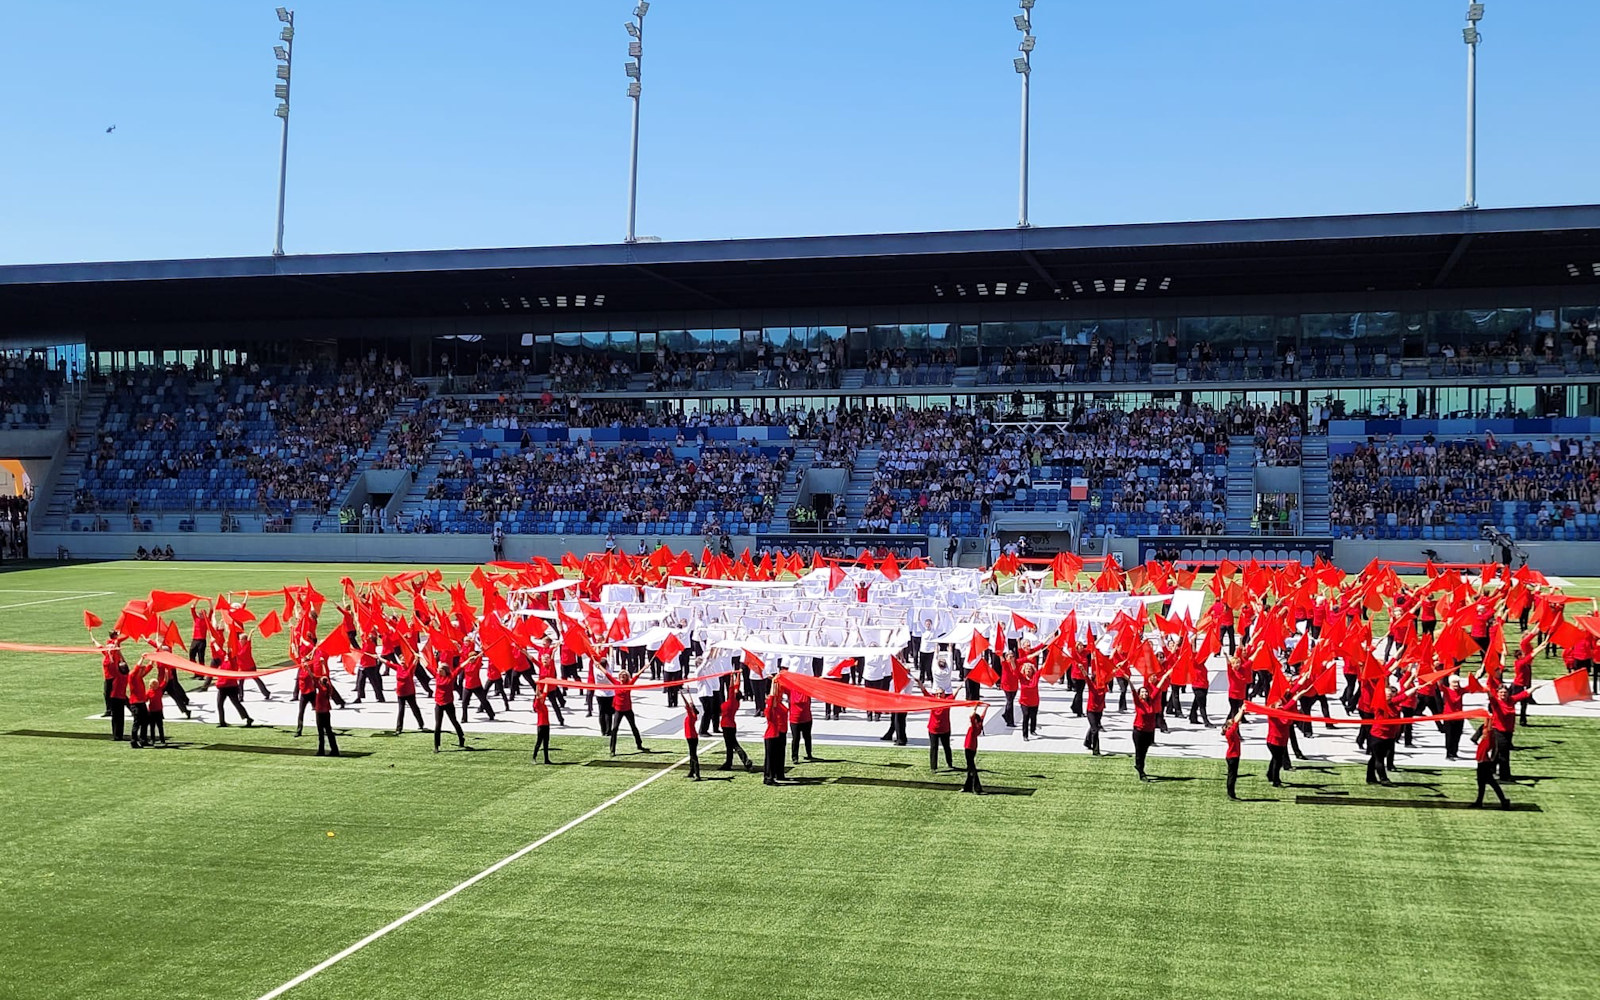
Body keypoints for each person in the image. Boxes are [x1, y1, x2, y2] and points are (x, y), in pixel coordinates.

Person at [1131, 677, 1166, 780]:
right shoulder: (1138, 703)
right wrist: (1128, 680)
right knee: (1139, 751)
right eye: (1142, 692)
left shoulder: (1151, 701)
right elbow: (1133, 691)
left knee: (1144, 751)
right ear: (1139, 694)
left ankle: (1139, 766)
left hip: (1149, 732)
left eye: (1146, 692)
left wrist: (1166, 675)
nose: (1144, 694)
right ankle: (1141, 772)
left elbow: (1158, 687)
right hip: (1139, 731)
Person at [1473, 720, 1512, 809]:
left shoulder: (1490, 734)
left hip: (1485, 762)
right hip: (1482, 760)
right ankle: (1480, 801)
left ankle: (1503, 801)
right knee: (1483, 783)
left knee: (1490, 782)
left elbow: (1495, 747)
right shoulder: (1486, 736)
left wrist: (1492, 761)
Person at [431, 658, 467, 753]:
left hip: (448, 703)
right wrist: (418, 657)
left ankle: (461, 738)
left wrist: (469, 660)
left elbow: (460, 667)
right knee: (438, 725)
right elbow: (427, 665)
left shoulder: (451, 676)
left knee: (454, 721)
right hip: (438, 703)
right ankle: (436, 745)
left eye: (440, 669)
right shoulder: (437, 675)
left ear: (444, 670)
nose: (438, 670)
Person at [718, 675, 753, 772]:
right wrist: (737, 674)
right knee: (730, 746)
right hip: (730, 725)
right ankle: (728, 763)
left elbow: (732, 687)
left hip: (727, 726)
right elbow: (736, 686)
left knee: (734, 745)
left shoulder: (731, 701)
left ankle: (746, 761)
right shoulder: (736, 702)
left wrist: (731, 676)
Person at [609, 671, 648, 755]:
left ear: (627, 677)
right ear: (619, 677)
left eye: (625, 675)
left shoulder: (629, 684)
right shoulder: (616, 683)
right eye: (621, 675)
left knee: (633, 727)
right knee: (614, 729)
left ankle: (639, 744)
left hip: (628, 710)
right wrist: (598, 666)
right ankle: (612, 750)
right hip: (618, 710)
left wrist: (644, 668)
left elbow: (636, 676)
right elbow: (607, 674)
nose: (623, 676)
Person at [923, 683, 954, 771]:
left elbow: (955, 694)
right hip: (933, 729)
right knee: (933, 748)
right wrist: (920, 684)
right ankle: (933, 767)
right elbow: (924, 692)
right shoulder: (932, 700)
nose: (939, 695)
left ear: (944, 694)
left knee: (947, 747)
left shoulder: (948, 701)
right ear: (935, 694)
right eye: (937, 693)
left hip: (945, 729)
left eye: (941, 693)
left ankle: (950, 763)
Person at [762, 684, 789, 785]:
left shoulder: (774, 707)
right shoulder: (769, 710)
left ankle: (772, 776)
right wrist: (773, 683)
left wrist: (777, 684)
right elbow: (773, 697)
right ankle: (768, 777)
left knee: (773, 757)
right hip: (771, 735)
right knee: (770, 758)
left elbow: (775, 697)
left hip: (775, 734)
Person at [961, 702, 989, 794]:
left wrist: (976, 707)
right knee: (970, 768)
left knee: (972, 769)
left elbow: (971, 716)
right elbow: (982, 716)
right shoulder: (979, 726)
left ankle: (977, 788)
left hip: (968, 748)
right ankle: (967, 787)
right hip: (973, 748)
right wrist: (985, 708)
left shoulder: (973, 727)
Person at [394, 656, 426, 734]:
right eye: (401, 660)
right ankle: (399, 728)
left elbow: (415, 662)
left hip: (410, 693)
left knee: (414, 708)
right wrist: (378, 657)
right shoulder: (398, 668)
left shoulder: (410, 669)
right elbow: (387, 663)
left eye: (404, 660)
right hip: (400, 693)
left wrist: (416, 657)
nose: (402, 662)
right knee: (401, 710)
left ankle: (421, 724)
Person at [312, 673, 341, 758]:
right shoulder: (328, 688)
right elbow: (324, 676)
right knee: (329, 731)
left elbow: (313, 677)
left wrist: (308, 669)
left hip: (320, 712)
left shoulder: (321, 689)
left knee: (321, 732)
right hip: (326, 711)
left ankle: (321, 750)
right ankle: (334, 749)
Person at [1221, 706, 1245, 799]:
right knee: (1232, 776)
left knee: (1233, 775)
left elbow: (1235, 720)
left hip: (1232, 756)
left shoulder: (1230, 731)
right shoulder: (1230, 732)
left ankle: (1231, 793)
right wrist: (1241, 711)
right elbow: (1236, 721)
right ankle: (1231, 794)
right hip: (1233, 757)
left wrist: (1240, 711)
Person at [789, 690, 815, 764]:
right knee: (796, 738)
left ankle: (809, 754)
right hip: (795, 719)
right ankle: (794, 757)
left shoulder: (807, 690)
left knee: (807, 737)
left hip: (806, 718)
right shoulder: (791, 690)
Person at [1017, 661, 1041, 740]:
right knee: (1026, 716)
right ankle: (1025, 735)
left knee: (1033, 716)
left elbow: (1042, 668)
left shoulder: (1035, 677)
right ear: (1024, 670)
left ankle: (1033, 730)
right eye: (1027, 669)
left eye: (1030, 669)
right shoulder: (1022, 677)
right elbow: (1014, 670)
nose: (1028, 670)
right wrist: (1012, 661)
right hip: (1024, 702)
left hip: (1034, 701)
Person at [531, 689, 553, 764]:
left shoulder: (543, 704)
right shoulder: (537, 705)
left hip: (546, 725)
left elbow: (545, 692)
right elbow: (538, 695)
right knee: (539, 742)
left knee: (546, 743)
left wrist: (546, 683)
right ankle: (534, 757)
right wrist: (537, 686)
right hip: (541, 726)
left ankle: (546, 759)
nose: (543, 698)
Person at [682, 699, 702, 780]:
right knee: (692, 755)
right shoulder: (693, 715)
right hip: (691, 737)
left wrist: (682, 694)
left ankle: (697, 774)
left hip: (691, 737)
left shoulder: (691, 715)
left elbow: (686, 704)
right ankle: (691, 771)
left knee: (693, 756)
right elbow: (689, 704)